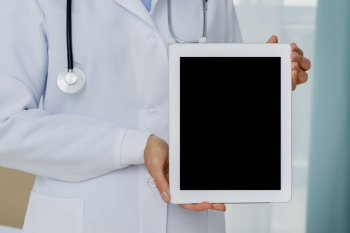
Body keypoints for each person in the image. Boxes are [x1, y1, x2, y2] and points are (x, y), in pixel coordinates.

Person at [0, 0, 311, 232]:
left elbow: (221, 114)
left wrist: (263, 82)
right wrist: (136, 145)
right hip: (85, 219)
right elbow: (7, 125)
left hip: (188, 219)